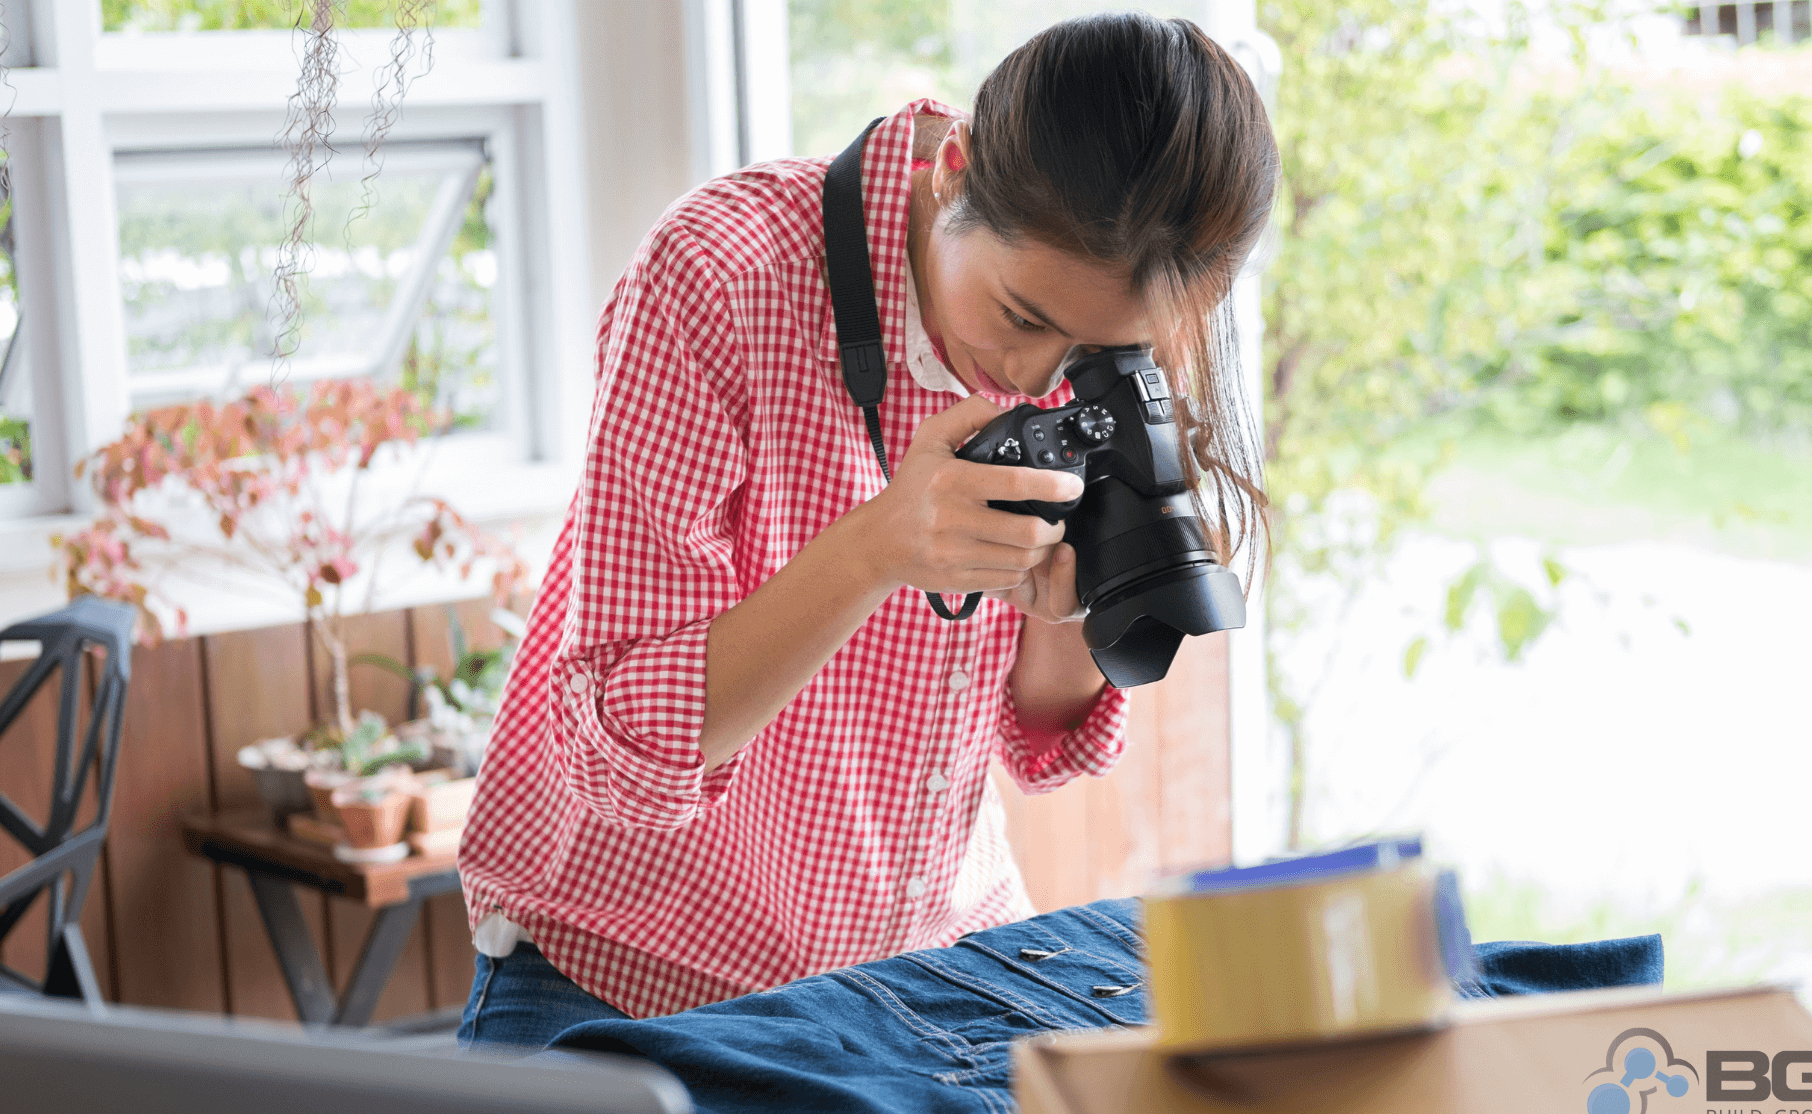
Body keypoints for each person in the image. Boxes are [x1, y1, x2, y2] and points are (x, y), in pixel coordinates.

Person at [456, 11, 1277, 1050]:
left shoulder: (1107, 351)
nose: (1036, 379)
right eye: (1024, 319)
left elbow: (1041, 746)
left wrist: (1062, 604)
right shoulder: (725, 276)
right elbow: (619, 752)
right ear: (955, 169)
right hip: (630, 973)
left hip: (923, 969)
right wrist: (877, 547)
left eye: (1098, 348)